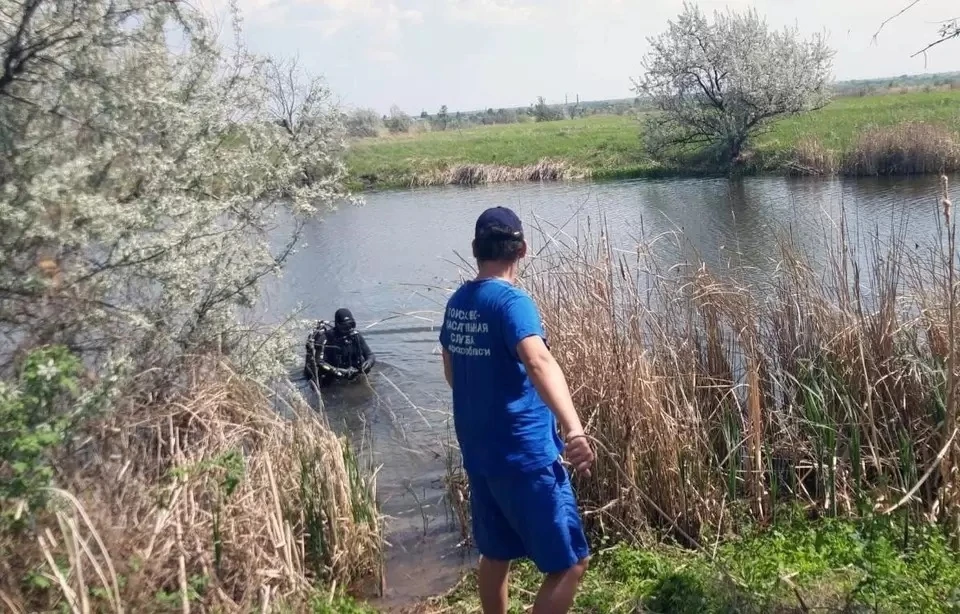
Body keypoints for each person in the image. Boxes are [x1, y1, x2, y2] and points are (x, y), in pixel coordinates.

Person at [439, 206, 595, 614]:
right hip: (526, 456)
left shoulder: (458, 301)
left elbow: (451, 370)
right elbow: (538, 361)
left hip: (481, 455)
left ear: (476, 249)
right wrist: (574, 429)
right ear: (522, 249)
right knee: (571, 563)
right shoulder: (511, 302)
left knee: (495, 553)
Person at [304, 308, 376, 387]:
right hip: (330, 374)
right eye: (344, 327)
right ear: (337, 325)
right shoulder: (326, 339)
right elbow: (319, 362)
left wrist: (368, 363)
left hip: (351, 371)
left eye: (352, 325)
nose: (349, 329)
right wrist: (337, 371)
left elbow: (370, 355)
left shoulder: (356, 336)